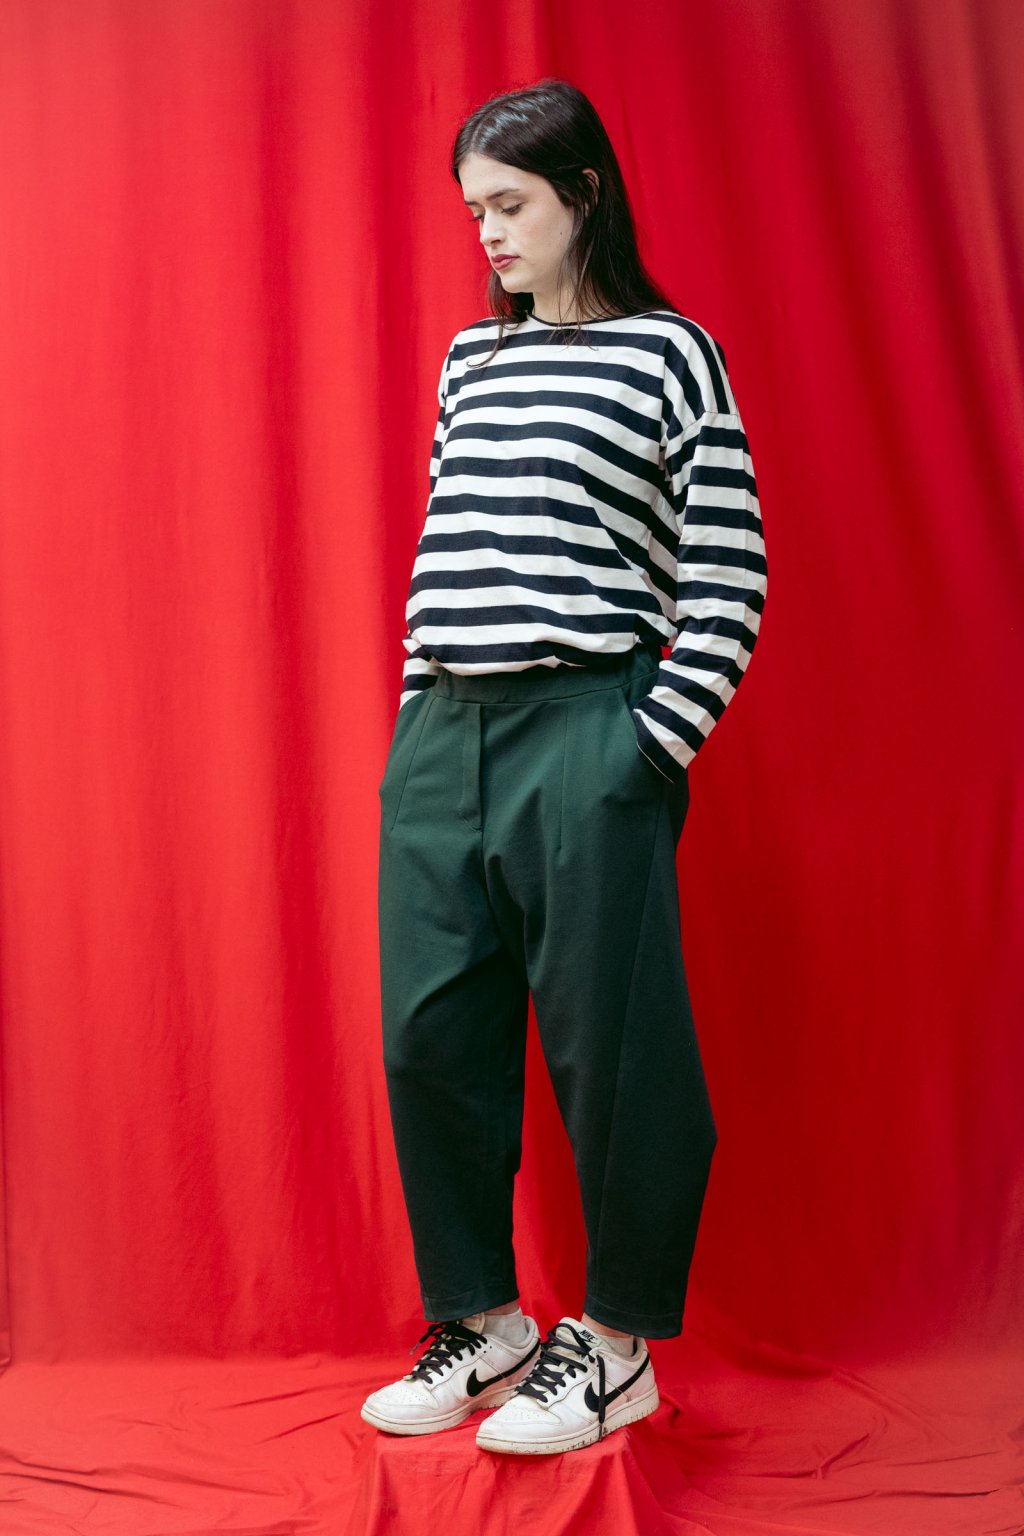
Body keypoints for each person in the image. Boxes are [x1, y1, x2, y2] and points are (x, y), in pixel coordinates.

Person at [361, 77, 767, 1456]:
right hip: (443, 735)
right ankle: (484, 1326)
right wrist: (415, 720)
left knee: (617, 1054)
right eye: (473, 209)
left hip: (587, 727)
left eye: (510, 203)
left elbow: (728, 573)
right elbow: (446, 545)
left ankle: (617, 1345)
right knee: (430, 1039)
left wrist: (644, 745)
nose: (487, 232)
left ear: (583, 193)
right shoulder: (471, 363)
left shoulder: (671, 356)